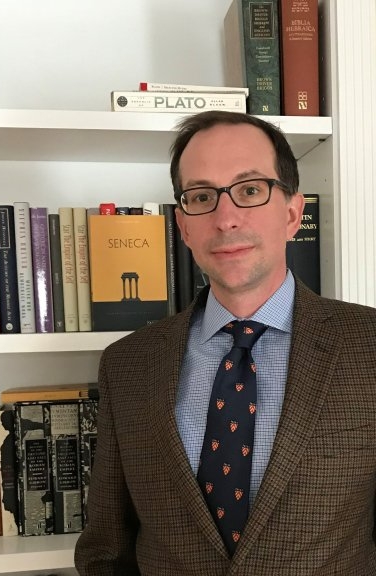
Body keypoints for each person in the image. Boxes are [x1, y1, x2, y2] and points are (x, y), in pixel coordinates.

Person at [75, 111, 376, 575]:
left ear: (293, 213)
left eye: (250, 190)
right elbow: (106, 550)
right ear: (183, 226)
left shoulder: (369, 346)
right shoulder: (127, 365)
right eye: (201, 196)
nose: (225, 218)